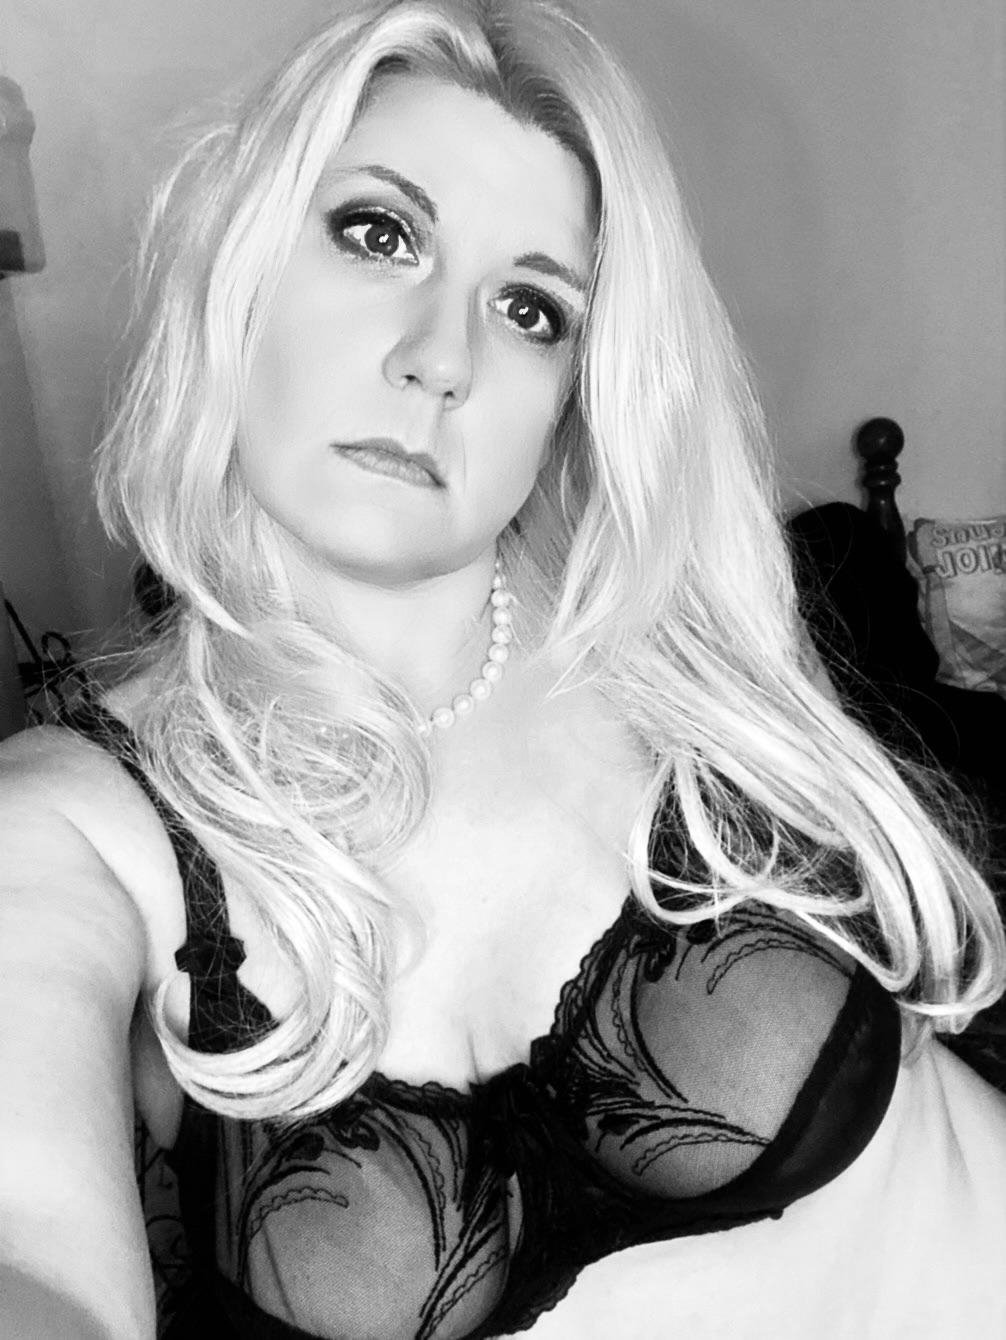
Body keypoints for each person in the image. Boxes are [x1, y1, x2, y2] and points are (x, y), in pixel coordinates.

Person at [1, 0, 1004, 1336]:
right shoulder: (76, 835)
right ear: (239, 268)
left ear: (570, 396)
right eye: (379, 234)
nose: (441, 360)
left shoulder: (673, 655)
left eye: (530, 310)